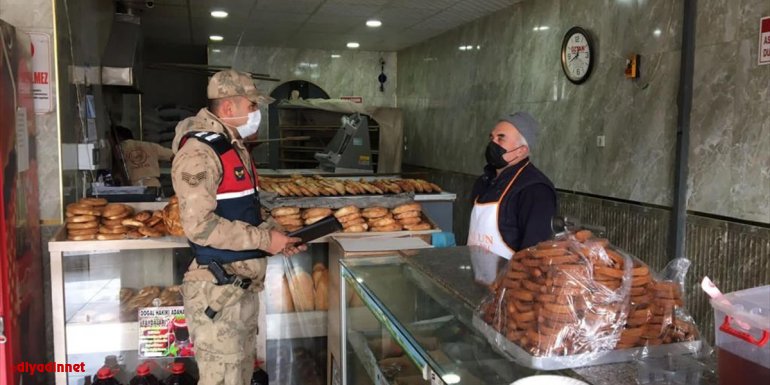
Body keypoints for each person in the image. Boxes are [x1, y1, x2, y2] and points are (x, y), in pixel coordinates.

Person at [170, 69, 305, 385]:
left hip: (238, 291)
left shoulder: (232, 146)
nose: (256, 113)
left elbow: (246, 211)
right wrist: (264, 239)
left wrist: (278, 236)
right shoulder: (199, 153)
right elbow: (199, 226)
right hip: (218, 293)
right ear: (229, 107)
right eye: (252, 105)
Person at [469, 112, 557, 259]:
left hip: (508, 273)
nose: (492, 143)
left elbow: (534, 252)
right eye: (492, 138)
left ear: (521, 150)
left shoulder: (535, 189)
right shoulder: (484, 181)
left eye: (501, 138)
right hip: (475, 269)